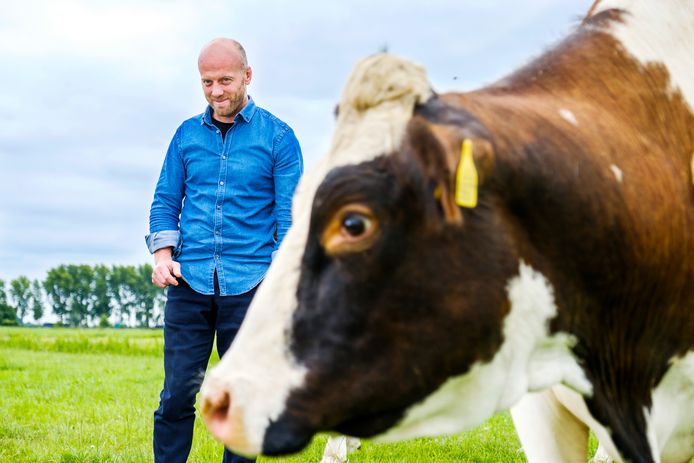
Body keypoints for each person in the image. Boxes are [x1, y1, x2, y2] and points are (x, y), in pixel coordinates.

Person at [145, 38, 303, 463]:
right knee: (176, 395)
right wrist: (162, 256)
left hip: (252, 286)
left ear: (247, 77)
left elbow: (290, 222)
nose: (216, 91)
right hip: (189, 282)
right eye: (207, 82)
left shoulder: (280, 138)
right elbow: (164, 203)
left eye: (225, 81)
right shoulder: (185, 136)